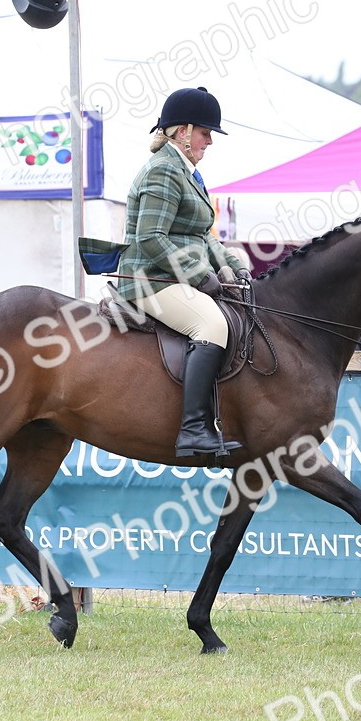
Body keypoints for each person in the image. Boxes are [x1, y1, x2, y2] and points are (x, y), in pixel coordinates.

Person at [81, 86, 251, 458]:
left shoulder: (187, 173)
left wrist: (235, 268)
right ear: (184, 131)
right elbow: (150, 238)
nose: (209, 142)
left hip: (170, 275)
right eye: (206, 133)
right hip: (148, 278)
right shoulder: (163, 172)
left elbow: (201, 235)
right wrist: (197, 276)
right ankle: (193, 429)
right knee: (212, 325)